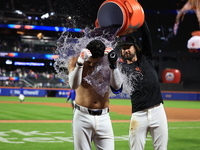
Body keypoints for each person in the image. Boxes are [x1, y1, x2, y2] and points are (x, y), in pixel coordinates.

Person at [115, 21, 168, 150]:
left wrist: (141, 19)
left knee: (161, 148)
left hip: (158, 111)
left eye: (129, 47)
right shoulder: (121, 68)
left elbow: (146, 35)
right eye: (123, 48)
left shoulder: (146, 57)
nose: (126, 50)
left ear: (135, 47)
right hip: (139, 115)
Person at [68, 39, 123, 150]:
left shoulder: (109, 62)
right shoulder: (76, 60)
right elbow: (73, 85)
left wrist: (113, 65)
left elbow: (117, 88)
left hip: (104, 117)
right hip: (82, 116)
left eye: (96, 62)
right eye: (89, 62)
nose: (92, 64)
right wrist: (80, 64)